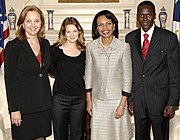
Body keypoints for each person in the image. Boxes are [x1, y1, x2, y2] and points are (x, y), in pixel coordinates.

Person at [125, 1, 180, 140]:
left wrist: (172, 102)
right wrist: (130, 98)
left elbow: (175, 73)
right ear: (137, 17)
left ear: (155, 16)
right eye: (141, 15)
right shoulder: (130, 39)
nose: (144, 19)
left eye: (148, 15)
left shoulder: (169, 38)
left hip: (160, 101)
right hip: (138, 100)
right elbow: (128, 71)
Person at [4, 5, 52, 140]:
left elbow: (52, 68)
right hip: (23, 108)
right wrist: (14, 110)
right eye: (28, 21)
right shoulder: (13, 46)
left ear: (41, 23)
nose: (33, 25)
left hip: (44, 105)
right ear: (22, 24)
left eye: (37, 21)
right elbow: (10, 81)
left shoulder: (46, 44)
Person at [85, 10, 133, 140]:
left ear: (114, 26)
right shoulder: (90, 47)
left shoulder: (124, 47)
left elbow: (127, 77)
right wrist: (89, 101)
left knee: (118, 136)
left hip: (117, 100)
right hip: (98, 101)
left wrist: (122, 105)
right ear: (96, 28)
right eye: (100, 25)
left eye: (108, 23)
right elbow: (88, 75)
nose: (104, 28)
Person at [49, 17, 86, 140]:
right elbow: (50, 69)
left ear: (79, 32)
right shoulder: (54, 50)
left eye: (74, 31)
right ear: (64, 33)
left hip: (79, 99)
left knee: (78, 134)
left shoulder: (85, 51)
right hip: (60, 99)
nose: (71, 35)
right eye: (68, 31)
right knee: (60, 134)